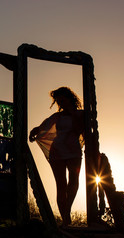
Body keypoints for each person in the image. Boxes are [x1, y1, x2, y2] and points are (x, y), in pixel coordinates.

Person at [29, 87, 84, 226]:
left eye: (62, 100)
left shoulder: (80, 114)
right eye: (58, 101)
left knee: (74, 181)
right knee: (61, 184)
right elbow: (42, 126)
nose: (60, 103)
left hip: (73, 151)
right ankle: (66, 219)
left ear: (69, 99)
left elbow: (80, 130)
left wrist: (73, 114)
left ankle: (67, 210)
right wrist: (33, 131)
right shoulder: (57, 116)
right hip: (57, 152)